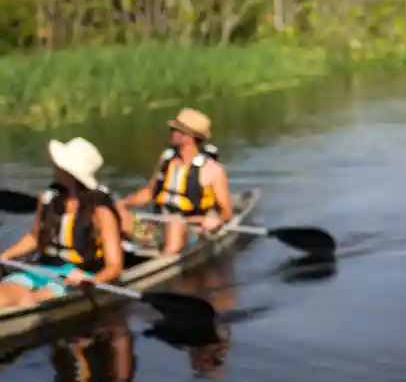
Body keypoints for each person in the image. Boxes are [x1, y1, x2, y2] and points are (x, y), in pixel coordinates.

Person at [0, 138, 124, 308]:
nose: (55, 167)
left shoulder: (101, 212)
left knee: (28, 301)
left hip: (75, 276)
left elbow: (114, 265)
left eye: (60, 165)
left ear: (70, 172)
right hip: (43, 269)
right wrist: (5, 256)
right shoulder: (48, 199)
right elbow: (33, 238)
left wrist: (93, 280)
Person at [115, 107, 232, 254]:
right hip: (160, 226)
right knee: (115, 213)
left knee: (175, 223)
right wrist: (122, 204)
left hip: (191, 230)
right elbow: (149, 193)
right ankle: (138, 248)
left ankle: (166, 258)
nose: (171, 132)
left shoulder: (212, 169)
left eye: (176, 130)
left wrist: (216, 220)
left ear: (189, 136)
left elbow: (226, 213)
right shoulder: (166, 159)